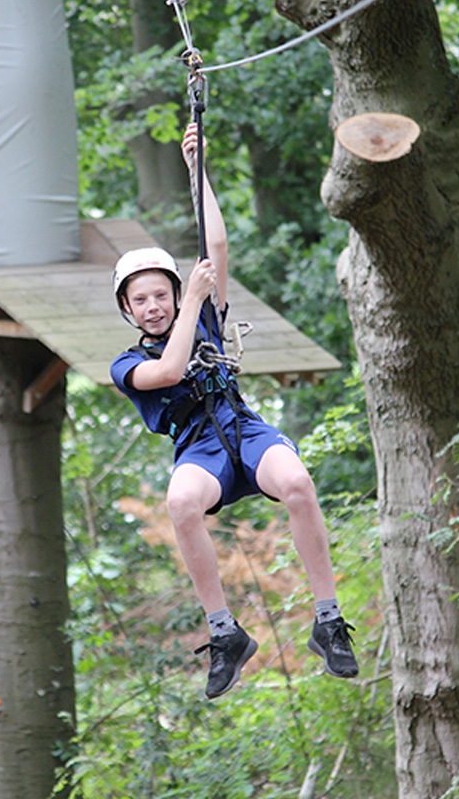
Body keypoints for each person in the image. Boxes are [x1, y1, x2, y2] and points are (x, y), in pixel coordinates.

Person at [110, 124, 359, 699]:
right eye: (140, 300)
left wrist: (197, 171)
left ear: (173, 293)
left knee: (297, 483)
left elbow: (215, 246)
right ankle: (225, 632)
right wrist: (192, 301)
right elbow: (170, 371)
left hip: (242, 428)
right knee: (180, 503)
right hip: (199, 447)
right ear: (128, 310)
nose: (153, 306)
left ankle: (328, 620)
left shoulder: (203, 315)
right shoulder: (127, 364)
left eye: (161, 295)